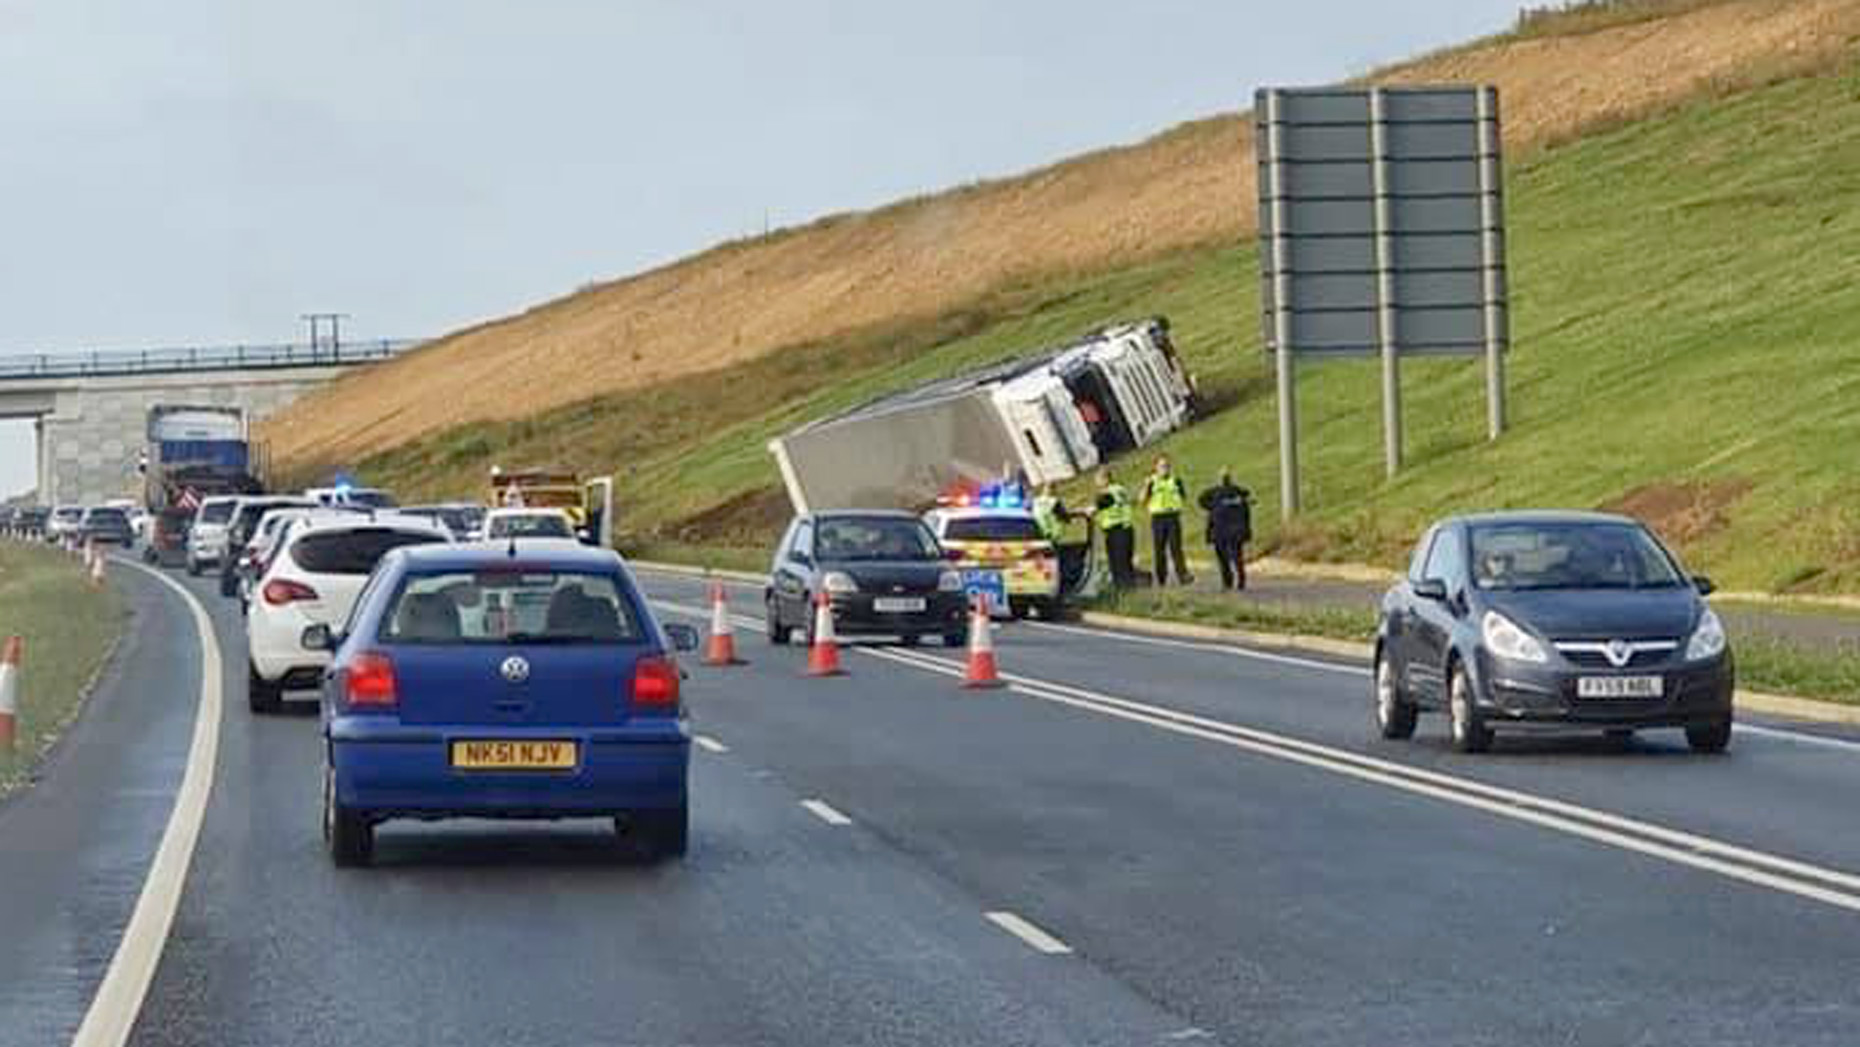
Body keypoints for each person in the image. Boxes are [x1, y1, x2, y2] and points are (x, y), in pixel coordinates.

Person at [1140, 455, 1192, 587]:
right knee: (1159, 549)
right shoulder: (1152, 481)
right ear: (1156, 467)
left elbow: (1183, 497)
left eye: (1167, 466)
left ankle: (1183, 575)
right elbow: (1142, 500)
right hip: (1158, 518)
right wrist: (1146, 486)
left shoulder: (1176, 480)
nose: (1165, 469)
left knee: (1176, 548)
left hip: (1173, 516)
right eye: (1162, 466)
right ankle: (1161, 577)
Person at [1198, 469, 1253, 591]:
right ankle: (1239, 579)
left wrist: (1211, 508)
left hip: (1221, 530)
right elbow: (1247, 507)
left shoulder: (1214, 493)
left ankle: (1228, 582)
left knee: (1224, 558)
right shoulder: (1240, 494)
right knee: (1236, 556)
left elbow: (1201, 500)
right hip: (1233, 530)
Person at [1094, 469, 1137, 589]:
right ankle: (1127, 587)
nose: (1096, 483)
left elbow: (1100, 504)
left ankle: (1124, 589)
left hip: (1118, 530)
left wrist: (1088, 510)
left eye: (1097, 480)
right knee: (1124, 562)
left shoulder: (1109, 492)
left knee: (1118, 563)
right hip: (1124, 529)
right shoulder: (1119, 489)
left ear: (1105, 479)